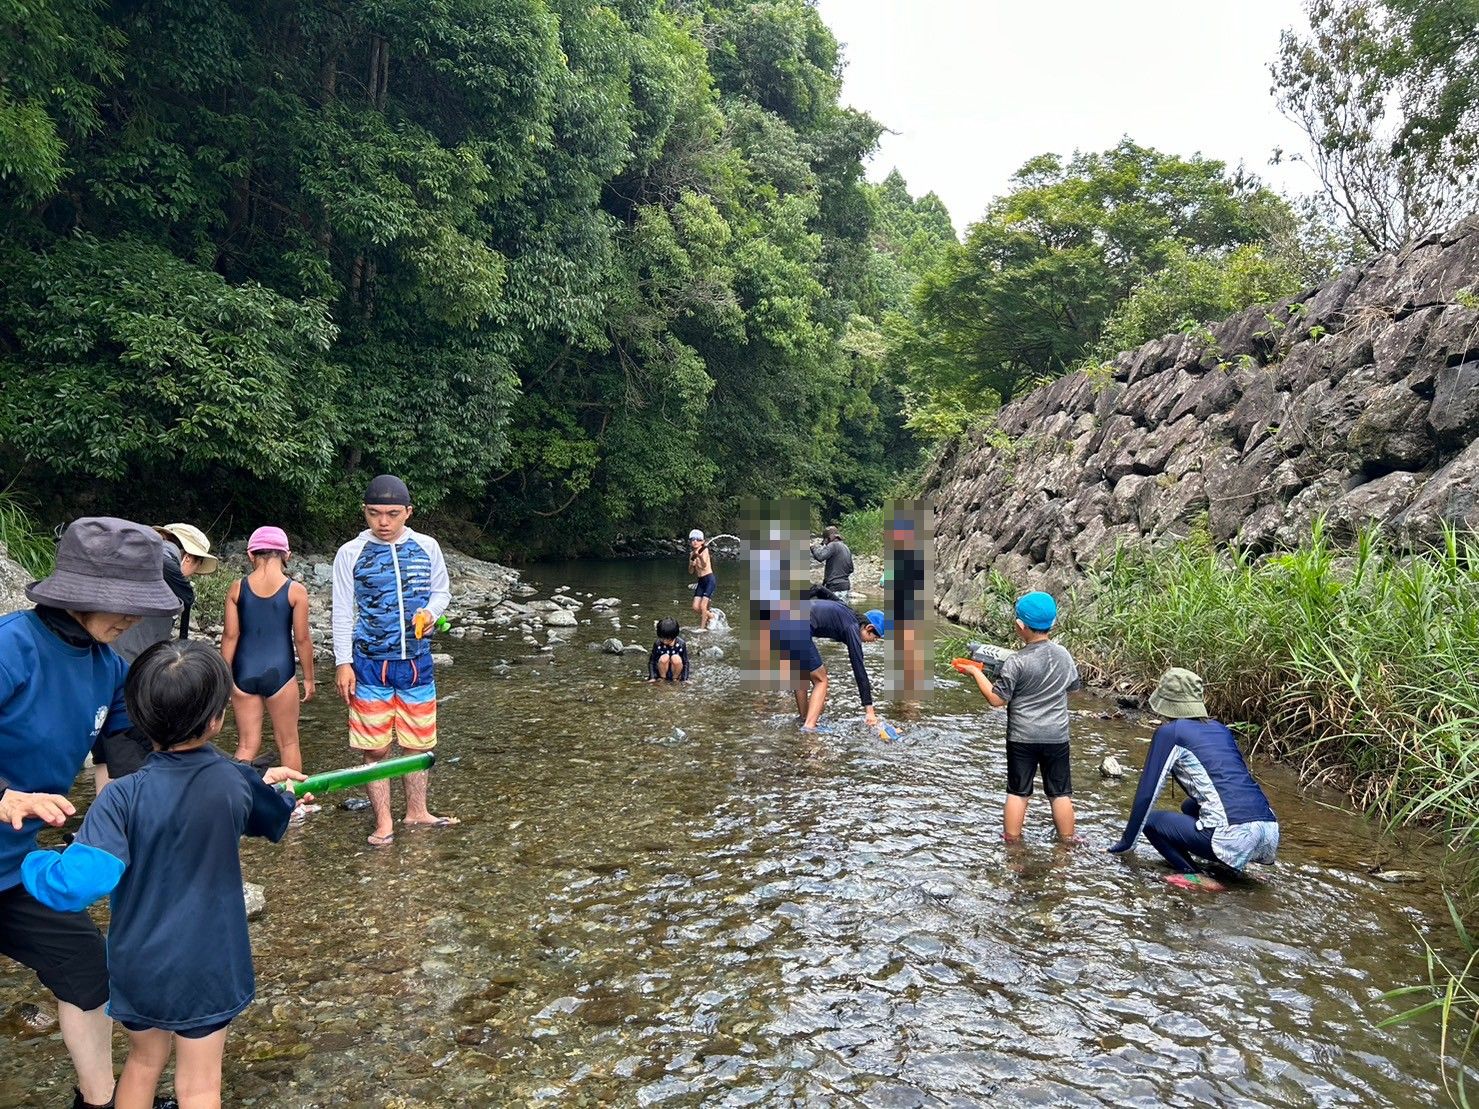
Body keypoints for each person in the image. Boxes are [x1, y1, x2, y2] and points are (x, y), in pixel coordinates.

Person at [22, 641, 305, 1109]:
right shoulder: (235, 781)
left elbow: (81, 882)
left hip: (141, 962)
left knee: (142, 1063)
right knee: (199, 1085)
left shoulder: (121, 796)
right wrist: (281, 792)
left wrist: (32, 862)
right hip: (211, 963)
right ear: (216, 719)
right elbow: (271, 817)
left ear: (137, 715)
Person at [0, 517, 182, 1109]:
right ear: (79, 594)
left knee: (87, 973)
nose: (131, 618)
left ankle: (98, 1102)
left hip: (15, 871)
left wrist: (232, 786)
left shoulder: (107, 665)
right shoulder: (11, 647)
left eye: (139, 603)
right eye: (121, 604)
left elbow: (129, 754)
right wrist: (6, 796)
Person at [332, 475, 457, 847]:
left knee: (418, 742)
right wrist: (342, 662)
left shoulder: (427, 546)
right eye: (374, 514)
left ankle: (417, 812)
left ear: (408, 512)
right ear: (365, 513)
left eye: (392, 514)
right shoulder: (350, 553)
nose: (383, 523)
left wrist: (432, 613)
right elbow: (342, 611)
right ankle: (383, 821)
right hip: (369, 663)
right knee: (375, 746)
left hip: (417, 662)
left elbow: (442, 591)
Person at [1107, 667, 1280, 892]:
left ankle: (1196, 875)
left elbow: (1147, 795)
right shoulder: (1221, 729)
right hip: (1268, 831)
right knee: (1189, 805)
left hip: (1233, 836)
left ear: (1166, 702)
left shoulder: (1171, 733)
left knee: (1152, 822)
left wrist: (1124, 845)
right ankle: (1233, 867)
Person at [958, 592, 1081, 843]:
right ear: (1053, 623)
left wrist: (974, 672)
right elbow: (1073, 689)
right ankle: (1068, 842)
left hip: (1022, 737)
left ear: (1020, 626)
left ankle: (1012, 844)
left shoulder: (1016, 662)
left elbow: (997, 699)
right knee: (1060, 793)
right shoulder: (1064, 655)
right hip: (1056, 736)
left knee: (1018, 792)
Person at [102, 523, 220, 784]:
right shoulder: (161, 557)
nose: (193, 575)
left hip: (107, 661)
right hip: (132, 670)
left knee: (105, 752)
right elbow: (165, 557)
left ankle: (106, 815)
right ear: (188, 557)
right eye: (196, 567)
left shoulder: (137, 563)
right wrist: (185, 591)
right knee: (130, 753)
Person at [221, 527, 314, 772]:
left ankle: (241, 802)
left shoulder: (237, 588)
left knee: (247, 745)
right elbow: (302, 639)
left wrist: (222, 675)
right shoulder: (296, 590)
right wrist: (309, 679)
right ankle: (294, 804)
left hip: (243, 671)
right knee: (289, 742)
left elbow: (231, 636)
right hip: (280, 672)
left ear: (251, 554)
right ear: (287, 555)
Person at [770, 599, 888, 730]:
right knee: (821, 679)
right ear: (869, 628)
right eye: (875, 638)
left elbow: (821, 592)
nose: (873, 641)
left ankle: (803, 718)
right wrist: (870, 711)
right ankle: (809, 727)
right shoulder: (852, 628)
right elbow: (859, 670)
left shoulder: (847, 614)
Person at [809, 525, 854, 595]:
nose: (826, 544)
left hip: (834, 587)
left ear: (829, 538)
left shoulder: (833, 545)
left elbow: (820, 556)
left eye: (826, 542)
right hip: (845, 586)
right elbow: (851, 569)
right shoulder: (846, 547)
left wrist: (813, 547)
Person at [687, 529, 716, 631]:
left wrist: (699, 556)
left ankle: (702, 629)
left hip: (709, 579)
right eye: (693, 539)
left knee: (703, 606)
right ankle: (711, 616)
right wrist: (691, 564)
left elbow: (704, 565)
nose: (695, 541)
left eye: (698, 540)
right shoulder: (691, 554)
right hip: (700, 581)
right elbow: (690, 571)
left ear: (703, 541)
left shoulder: (704, 550)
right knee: (695, 607)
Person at [647, 617, 691, 682]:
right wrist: (652, 677)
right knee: (664, 657)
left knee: (676, 658)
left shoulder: (681, 644)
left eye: (668, 639)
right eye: (662, 638)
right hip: (662, 670)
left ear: (674, 636)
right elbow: (652, 661)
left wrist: (685, 679)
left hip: (676, 670)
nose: (664, 641)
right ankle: (662, 678)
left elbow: (686, 662)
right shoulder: (657, 644)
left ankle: (675, 679)